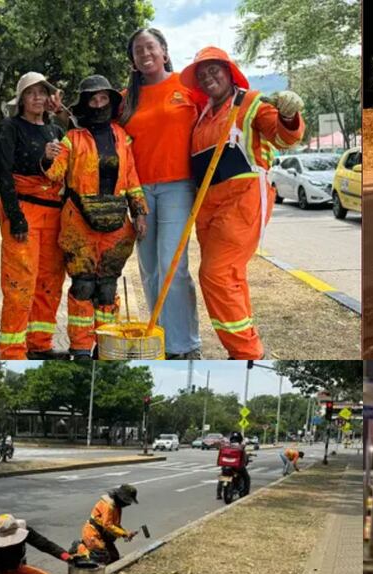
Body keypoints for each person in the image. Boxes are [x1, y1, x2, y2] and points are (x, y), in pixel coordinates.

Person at [180, 47, 305, 359]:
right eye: (202, 74)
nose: (209, 77)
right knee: (229, 276)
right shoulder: (203, 114)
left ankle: (246, 352)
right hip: (207, 206)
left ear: (229, 71)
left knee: (216, 275)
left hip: (241, 201)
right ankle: (245, 345)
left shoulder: (250, 103)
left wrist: (289, 116)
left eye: (214, 70)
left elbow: (283, 137)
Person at [45, 75, 149, 358]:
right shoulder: (72, 138)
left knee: (106, 287)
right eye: (93, 99)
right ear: (86, 104)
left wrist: (139, 211)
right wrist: (47, 156)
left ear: (111, 102)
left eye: (104, 98)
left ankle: (105, 346)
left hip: (116, 223)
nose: (99, 104)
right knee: (83, 284)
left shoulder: (121, 137)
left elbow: (132, 178)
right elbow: (54, 173)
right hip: (78, 222)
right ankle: (80, 347)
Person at [121, 28, 204, 359]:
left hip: (178, 187)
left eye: (150, 47)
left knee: (173, 265)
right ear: (133, 60)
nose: (145, 53)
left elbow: (220, 111)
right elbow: (95, 122)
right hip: (139, 193)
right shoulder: (126, 98)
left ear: (165, 52)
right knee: (151, 269)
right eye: (138, 50)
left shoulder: (187, 87)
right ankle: (160, 340)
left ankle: (185, 344)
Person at [0, 72, 69, 359]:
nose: (37, 98)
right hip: (23, 208)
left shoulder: (55, 131)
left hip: (53, 212)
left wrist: (61, 115)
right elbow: (2, 173)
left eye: (42, 92)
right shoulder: (10, 128)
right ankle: (12, 350)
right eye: (31, 93)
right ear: (21, 99)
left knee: (49, 282)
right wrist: (16, 216)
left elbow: (79, 144)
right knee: (20, 283)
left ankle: (40, 343)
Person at [77, 484, 139, 563]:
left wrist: (126, 533)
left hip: (103, 536)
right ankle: (80, 548)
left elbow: (115, 525)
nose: (128, 504)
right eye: (127, 501)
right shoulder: (108, 505)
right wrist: (124, 533)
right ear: (121, 498)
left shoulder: (116, 507)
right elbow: (108, 525)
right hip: (92, 534)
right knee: (100, 560)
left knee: (114, 558)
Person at [217, 431, 252, 497]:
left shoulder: (226, 446)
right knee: (246, 478)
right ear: (240, 439)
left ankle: (218, 494)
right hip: (237, 467)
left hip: (225, 465)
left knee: (223, 476)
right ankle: (245, 492)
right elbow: (244, 457)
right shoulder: (241, 446)